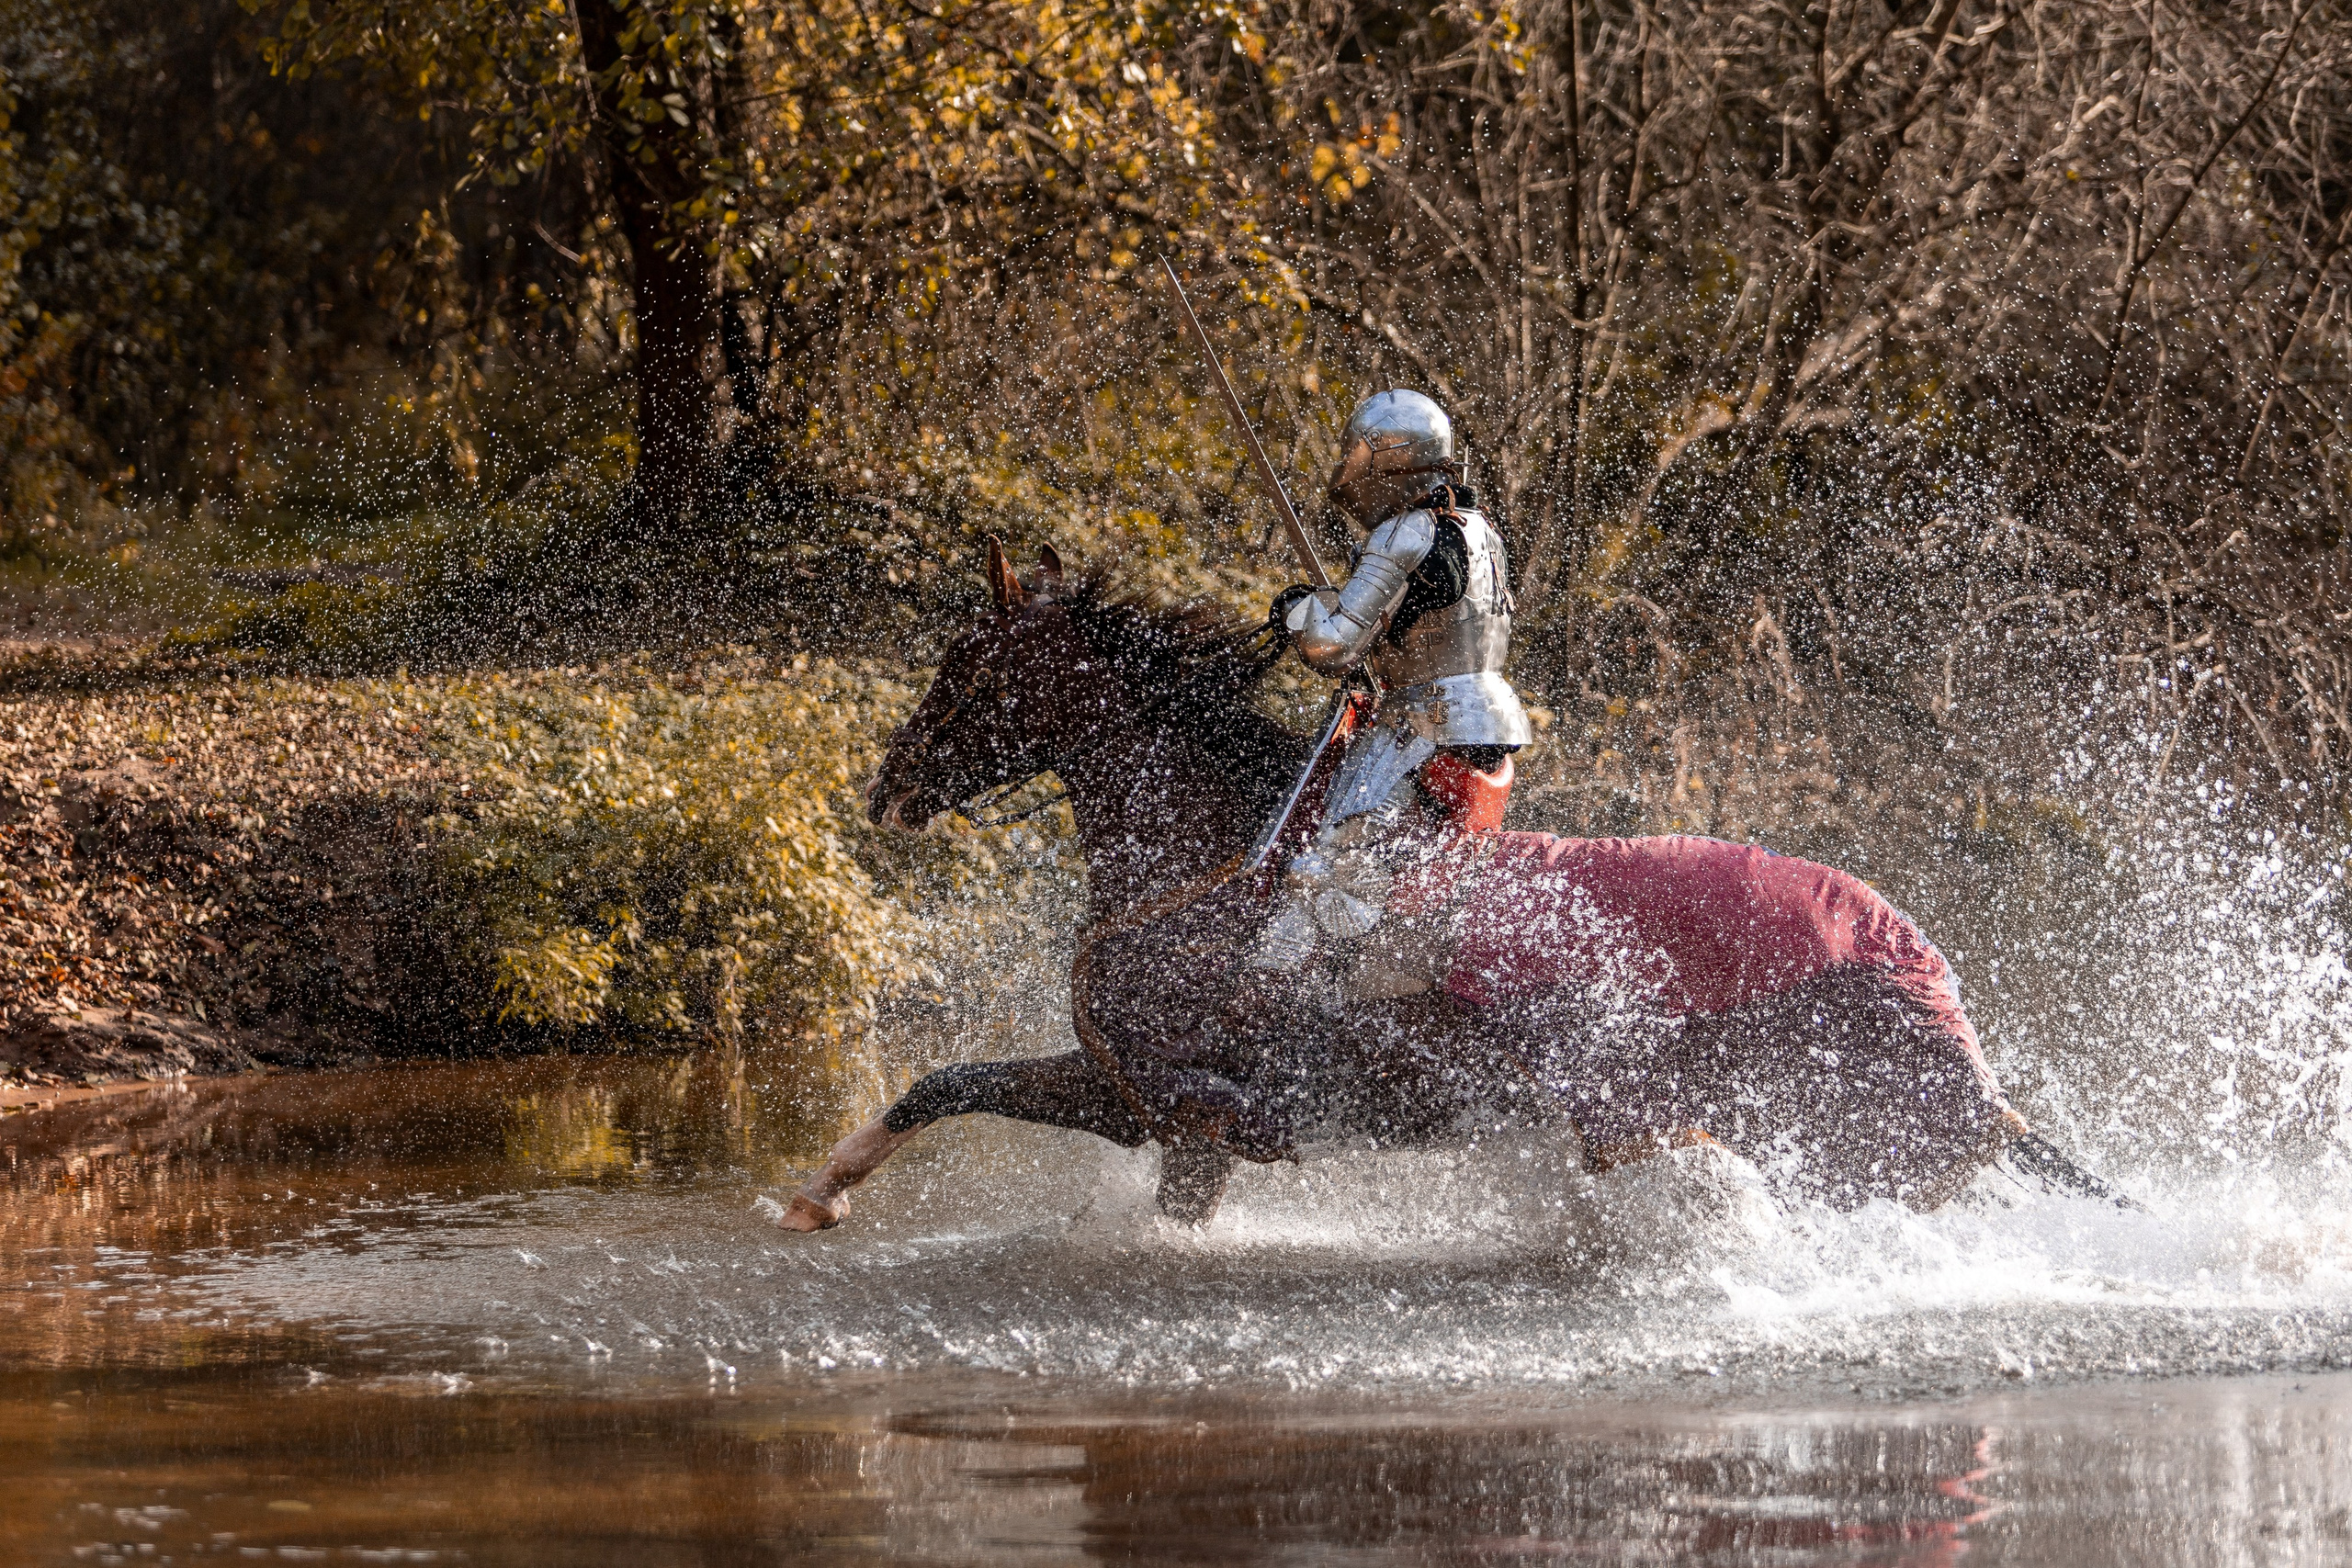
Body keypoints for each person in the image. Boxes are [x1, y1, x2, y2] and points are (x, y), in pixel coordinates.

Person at [1255, 388, 1532, 989]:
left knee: (1321, 866)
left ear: (1388, 459)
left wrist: (1299, 607)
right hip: (1484, 720)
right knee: (1379, 856)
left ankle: (1274, 998)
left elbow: (1332, 646)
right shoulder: (1482, 529)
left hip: (1423, 722)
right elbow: (1422, 625)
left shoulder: (1403, 533)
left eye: (1360, 454)